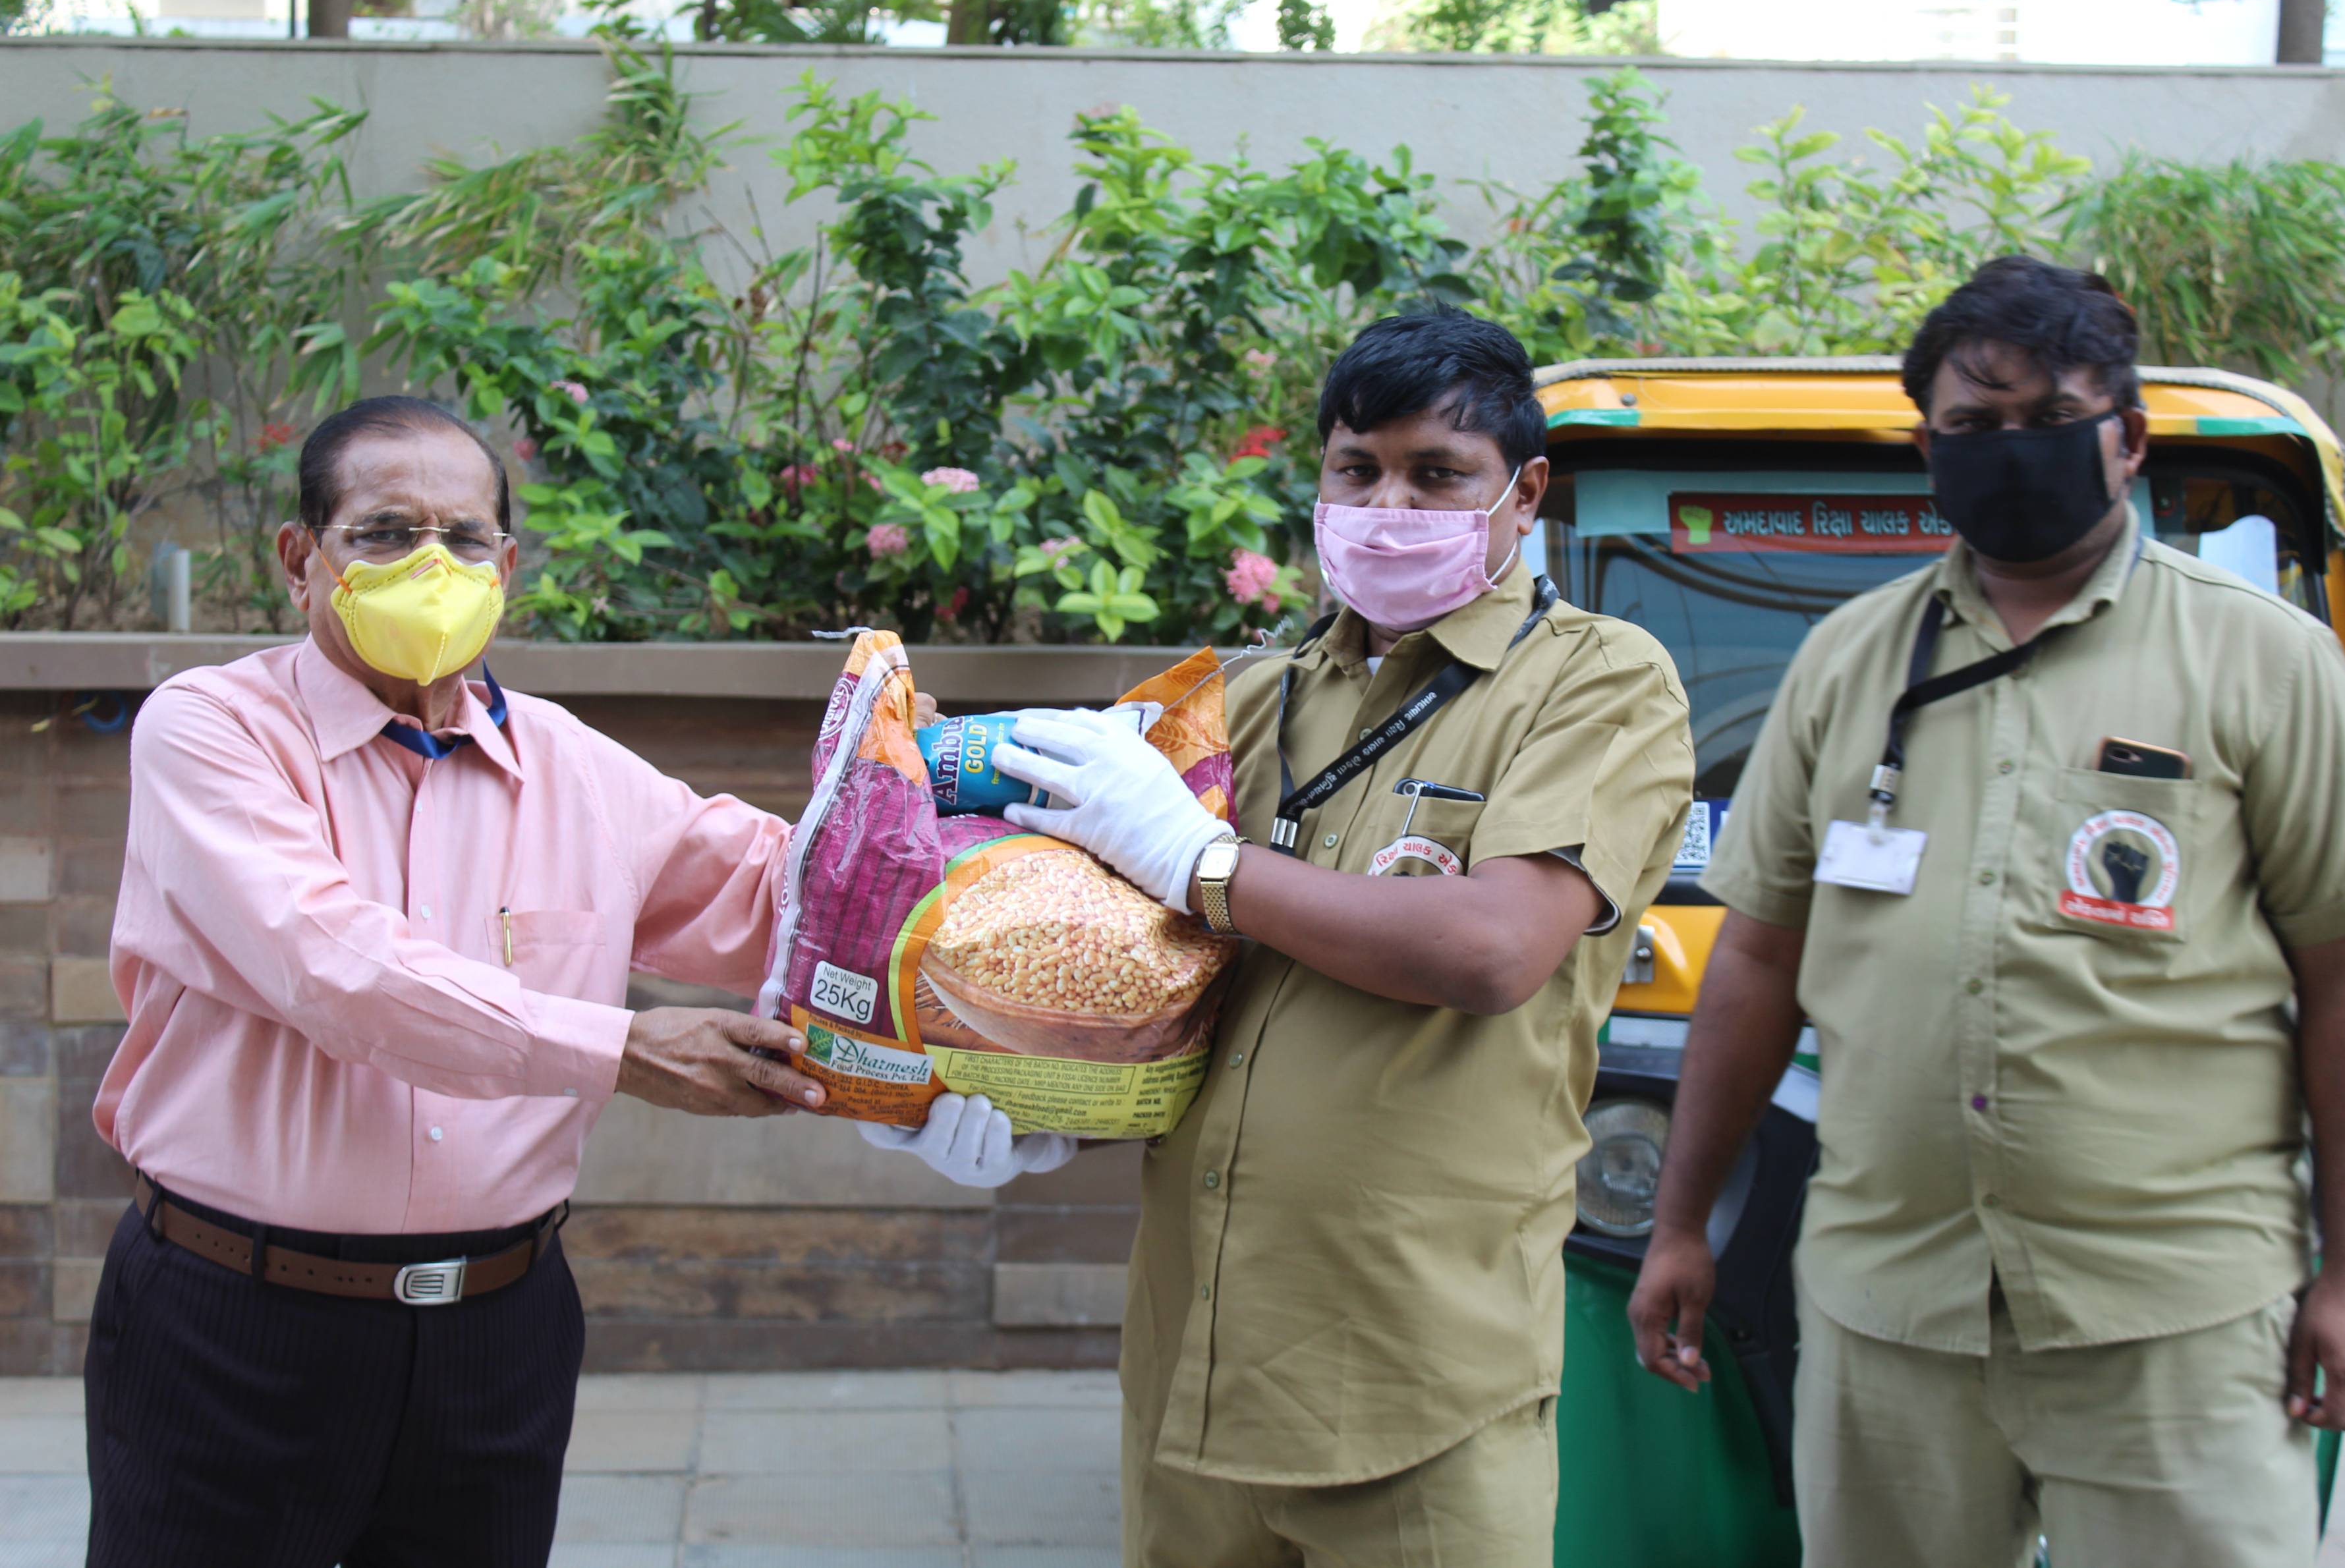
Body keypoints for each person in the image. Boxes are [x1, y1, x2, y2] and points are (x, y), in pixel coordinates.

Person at [866, 308, 1695, 1567]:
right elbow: (1149, 979)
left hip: (1420, 1382)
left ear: (1524, 495)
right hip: (1194, 1371)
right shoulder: (1249, 698)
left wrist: (1206, 863)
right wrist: (1013, 1098)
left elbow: (1490, 951)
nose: (1388, 504)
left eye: (1437, 475)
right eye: (1356, 470)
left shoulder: (1597, 682)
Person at [1626, 257, 2345, 1565]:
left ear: (2125, 439)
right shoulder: (1847, 659)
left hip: (2174, 1316)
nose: (2006, 453)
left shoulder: (2258, 658)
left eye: (2046, 419)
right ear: (1925, 446)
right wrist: (1683, 1221)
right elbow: (1753, 960)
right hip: (1888, 1314)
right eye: (1969, 429)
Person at [86, 396, 828, 1568]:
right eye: (385, 533)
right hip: (237, 1322)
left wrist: (945, 811)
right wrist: (623, 1047)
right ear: (302, 559)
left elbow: (784, 897)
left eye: (465, 538)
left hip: (499, 1329)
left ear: (507, 563)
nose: (431, 564)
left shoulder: (570, 767)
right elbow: (338, 970)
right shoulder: (214, 729)